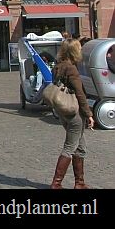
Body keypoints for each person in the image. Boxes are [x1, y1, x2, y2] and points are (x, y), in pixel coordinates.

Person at [50, 39, 94, 189]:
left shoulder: (58, 67)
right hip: (74, 112)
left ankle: (79, 183)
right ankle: (56, 183)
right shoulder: (71, 69)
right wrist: (88, 114)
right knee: (69, 147)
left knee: (80, 147)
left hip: (63, 110)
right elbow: (80, 93)